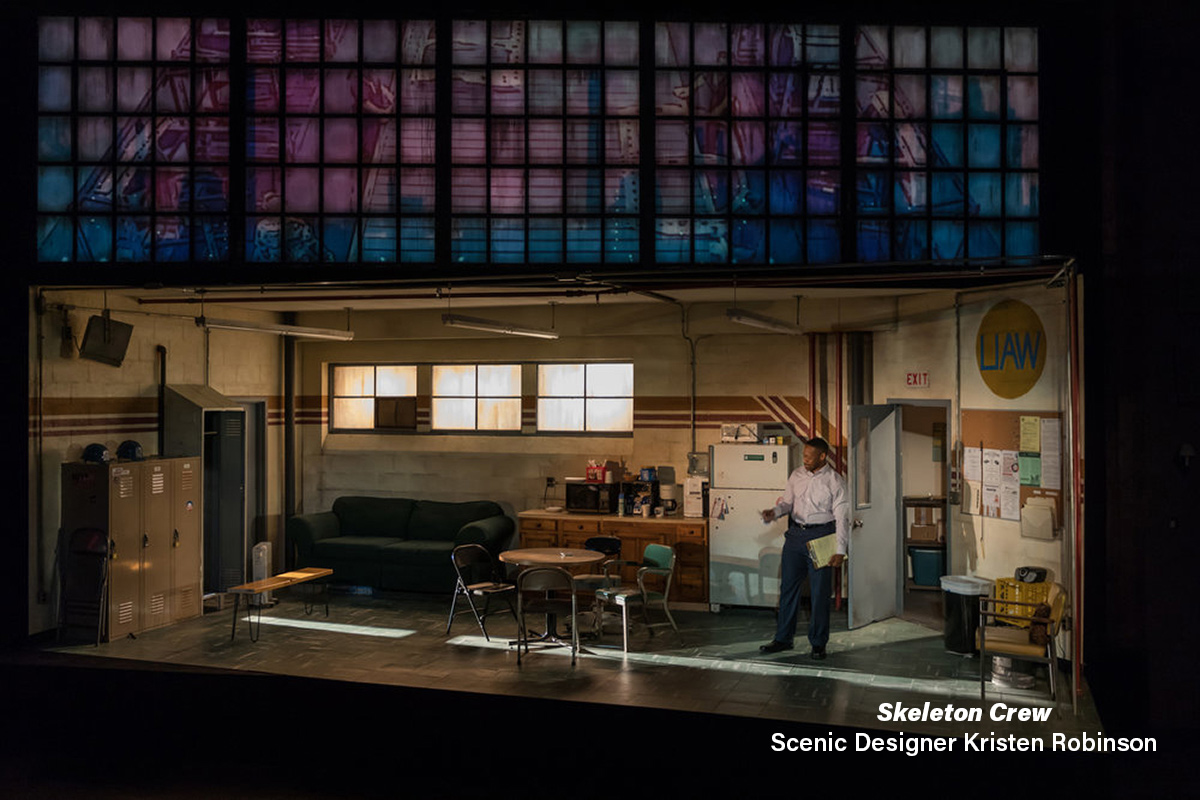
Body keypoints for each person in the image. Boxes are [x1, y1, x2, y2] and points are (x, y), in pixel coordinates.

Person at [758, 437, 849, 660]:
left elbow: (842, 518)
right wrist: (775, 512)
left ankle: (818, 643)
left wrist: (840, 550)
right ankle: (783, 639)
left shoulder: (835, 481)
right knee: (788, 589)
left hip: (822, 537)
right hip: (795, 537)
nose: (804, 459)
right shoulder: (796, 475)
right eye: (804, 455)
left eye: (809, 456)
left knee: (819, 593)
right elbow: (787, 504)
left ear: (822, 456)